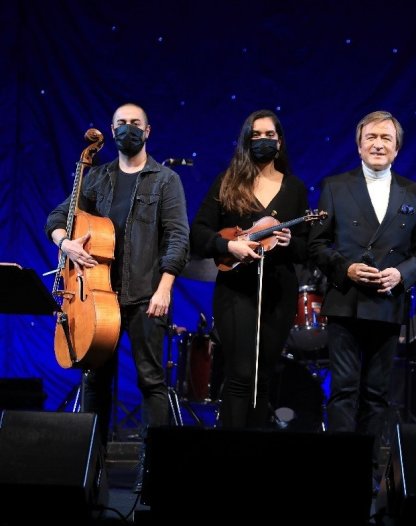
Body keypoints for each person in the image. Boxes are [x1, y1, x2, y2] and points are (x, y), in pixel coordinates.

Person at [45, 102, 190, 493]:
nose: (128, 129)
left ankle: (153, 474)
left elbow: (178, 238)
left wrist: (164, 288)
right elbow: (57, 217)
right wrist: (65, 242)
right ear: (111, 131)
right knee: (95, 381)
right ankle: (92, 473)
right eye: (121, 123)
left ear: (148, 130)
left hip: (146, 296)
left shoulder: (165, 180)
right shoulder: (97, 178)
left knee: (151, 382)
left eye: (135, 123)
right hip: (97, 298)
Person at [308, 110, 416, 483]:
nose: (378, 144)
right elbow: (317, 244)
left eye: (386, 138)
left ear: (397, 149)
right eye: (371, 138)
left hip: (387, 304)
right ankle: (339, 472)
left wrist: (402, 274)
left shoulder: (415, 192)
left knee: (377, 393)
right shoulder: (335, 186)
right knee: (344, 389)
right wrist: (345, 268)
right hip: (345, 302)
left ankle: (369, 475)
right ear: (359, 146)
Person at [190, 109, 309, 429]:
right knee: (241, 373)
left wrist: (289, 242)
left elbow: (307, 248)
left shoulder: (295, 188)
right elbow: (198, 233)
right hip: (236, 289)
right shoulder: (227, 182)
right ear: (246, 141)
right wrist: (228, 246)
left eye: (269, 135)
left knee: (263, 376)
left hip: (278, 292)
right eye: (255, 135)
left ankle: (255, 449)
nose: (263, 140)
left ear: (279, 142)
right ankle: (232, 449)